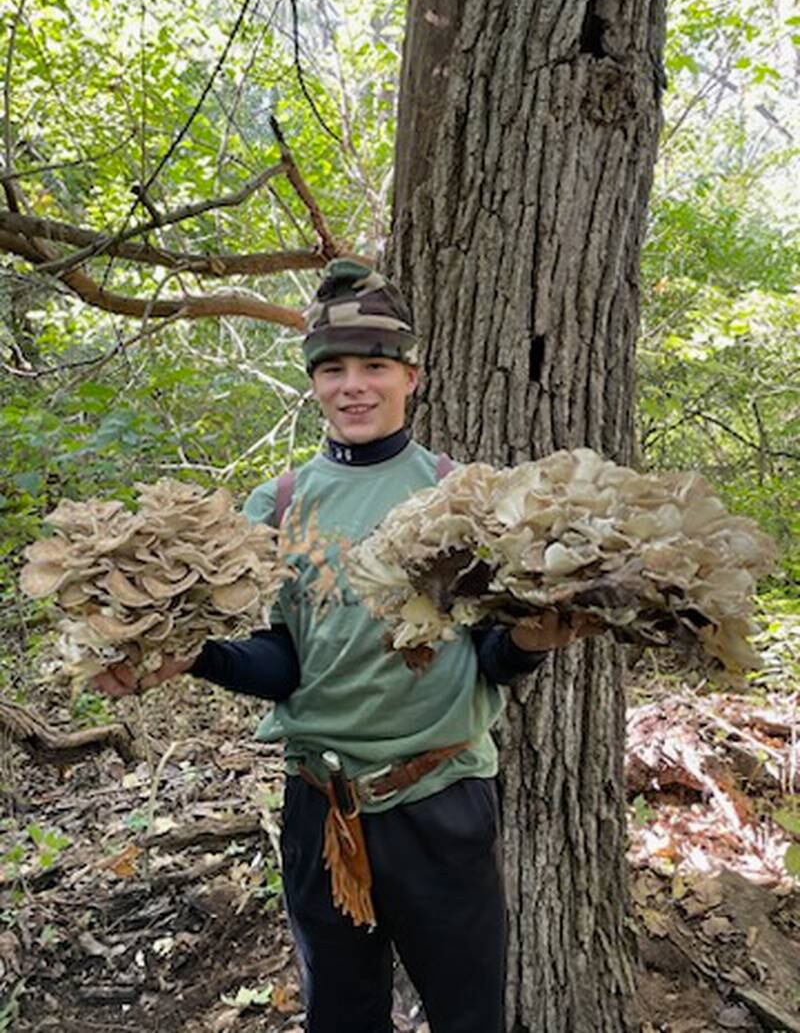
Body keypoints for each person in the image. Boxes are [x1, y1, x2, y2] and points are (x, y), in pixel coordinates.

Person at [95, 260, 600, 1033]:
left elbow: (493, 656)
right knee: (341, 1020)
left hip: (441, 803)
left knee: (469, 1019)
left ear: (412, 376)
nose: (354, 385)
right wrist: (193, 655)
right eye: (333, 368)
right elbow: (284, 663)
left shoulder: (460, 494)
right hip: (323, 810)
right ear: (313, 382)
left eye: (374, 366)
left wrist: (531, 641)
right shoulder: (281, 504)